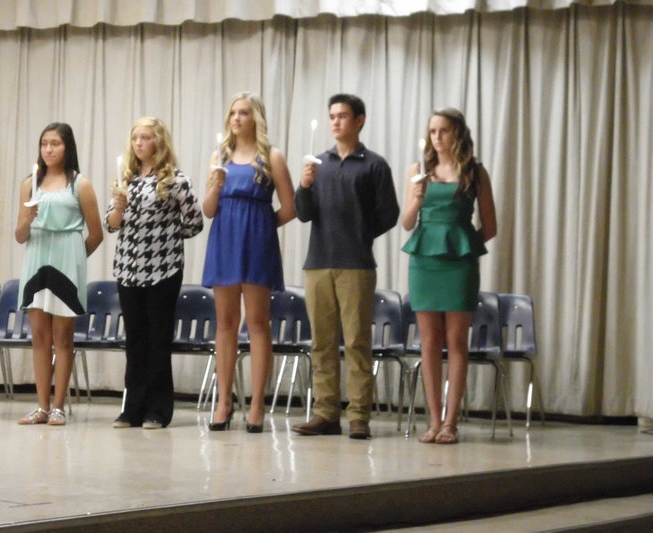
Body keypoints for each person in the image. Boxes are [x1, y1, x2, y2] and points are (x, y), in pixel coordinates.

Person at [292, 94, 400, 440]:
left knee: (356, 341)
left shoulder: (374, 165)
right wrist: (304, 185)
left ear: (359, 120)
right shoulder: (317, 164)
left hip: (356, 264)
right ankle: (325, 412)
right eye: (332, 117)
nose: (336, 122)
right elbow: (303, 213)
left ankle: (358, 416)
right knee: (322, 343)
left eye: (342, 116)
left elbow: (390, 213)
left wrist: (360, 233)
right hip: (318, 263)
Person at [401, 108, 497, 444]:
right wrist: (416, 198)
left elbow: (490, 226)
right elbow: (407, 223)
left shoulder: (475, 172)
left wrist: (462, 245)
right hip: (424, 261)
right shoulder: (419, 170)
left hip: (459, 264)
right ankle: (433, 420)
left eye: (444, 130)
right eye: (432, 131)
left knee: (456, 342)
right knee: (428, 342)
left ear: (457, 133)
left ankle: (451, 423)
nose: (437, 137)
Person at [202, 92, 295, 433]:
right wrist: (214, 186)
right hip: (224, 236)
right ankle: (224, 402)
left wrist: (262, 225)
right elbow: (208, 210)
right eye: (233, 113)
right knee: (225, 323)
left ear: (256, 117)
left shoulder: (272, 156)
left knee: (257, 323)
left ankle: (257, 405)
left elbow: (289, 207)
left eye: (243, 112)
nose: (237, 118)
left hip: (256, 238)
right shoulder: (220, 156)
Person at [105, 117, 203, 429]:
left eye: (145, 137)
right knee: (134, 341)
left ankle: (157, 410)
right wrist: (119, 207)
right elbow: (110, 224)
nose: (138, 143)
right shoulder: (126, 179)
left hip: (163, 268)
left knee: (158, 339)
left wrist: (164, 236)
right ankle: (131, 408)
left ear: (158, 142)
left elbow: (195, 223)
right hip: (128, 268)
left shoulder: (176, 180)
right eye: (135, 138)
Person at [15, 122, 103, 426]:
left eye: (55, 143)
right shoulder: (30, 184)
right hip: (36, 259)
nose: (48, 149)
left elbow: (96, 234)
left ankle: (58, 406)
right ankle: (40, 406)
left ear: (68, 147)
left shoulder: (81, 184)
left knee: (63, 338)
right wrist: (26, 219)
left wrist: (76, 259)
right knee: (39, 338)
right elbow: (19, 235)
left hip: (67, 261)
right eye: (44, 144)